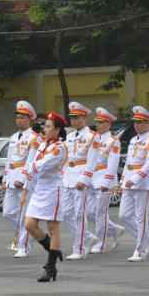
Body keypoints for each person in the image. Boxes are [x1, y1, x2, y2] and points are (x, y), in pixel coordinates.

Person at [23, 112, 69, 282]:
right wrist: (26, 190)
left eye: (49, 126)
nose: (45, 129)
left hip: (52, 190)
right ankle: (52, 251)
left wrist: (30, 166)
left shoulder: (61, 148)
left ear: (57, 130)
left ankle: (50, 268)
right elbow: (34, 169)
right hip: (39, 189)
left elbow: (40, 165)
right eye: (45, 126)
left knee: (53, 229)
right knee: (29, 225)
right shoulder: (43, 145)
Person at [118, 106, 149, 262]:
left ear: (147, 122)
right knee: (123, 215)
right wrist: (122, 182)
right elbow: (128, 163)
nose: (136, 125)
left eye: (140, 122)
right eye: (135, 122)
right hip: (129, 182)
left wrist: (134, 180)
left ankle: (140, 251)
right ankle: (148, 237)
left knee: (141, 217)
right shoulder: (134, 140)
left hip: (142, 184)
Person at [1, 101, 41, 258]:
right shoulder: (13, 137)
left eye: (22, 118)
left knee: (24, 214)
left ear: (29, 119)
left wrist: (22, 178)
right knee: (8, 213)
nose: (19, 120)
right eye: (17, 117)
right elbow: (9, 160)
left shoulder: (34, 138)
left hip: (25, 181)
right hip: (12, 179)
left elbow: (31, 161)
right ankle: (28, 235)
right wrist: (6, 179)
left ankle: (23, 247)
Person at [62, 102, 100, 260]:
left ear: (85, 118)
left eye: (77, 117)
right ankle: (87, 237)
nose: (74, 120)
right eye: (72, 117)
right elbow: (65, 159)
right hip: (68, 177)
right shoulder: (70, 136)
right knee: (65, 213)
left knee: (79, 214)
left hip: (80, 178)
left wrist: (84, 180)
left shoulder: (92, 136)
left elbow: (92, 162)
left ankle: (80, 248)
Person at [88, 107, 125, 253]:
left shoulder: (113, 141)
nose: (98, 125)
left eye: (101, 122)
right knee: (90, 211)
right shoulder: (94, 139)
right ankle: (114, 229)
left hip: (103, 179)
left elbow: (112, 164)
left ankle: (100, 243)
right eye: (97, 122)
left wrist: (107, 182)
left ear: (109, 124)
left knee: (100, 213)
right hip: (91, 179)